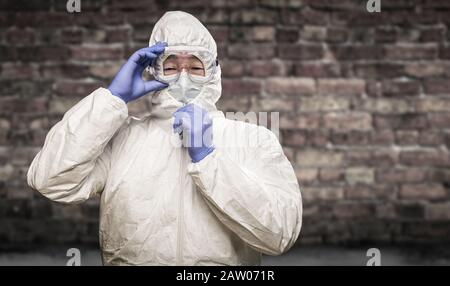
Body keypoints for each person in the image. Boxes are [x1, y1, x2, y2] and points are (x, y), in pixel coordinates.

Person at [27, 11, 302, 266]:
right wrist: (111, 100)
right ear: (153, 71)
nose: (183, 78)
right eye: (170, 67)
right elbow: (51, 181)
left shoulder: (253, 138)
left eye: (196, 68)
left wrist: (209, 159)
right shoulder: (122, 139)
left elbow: (280, 234)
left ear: (214, 73)